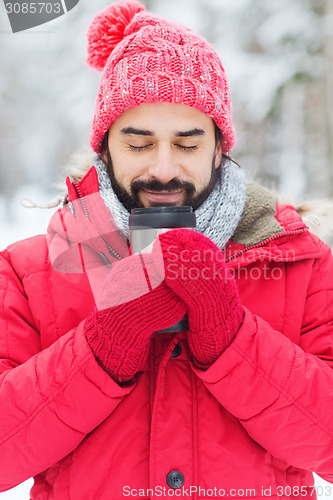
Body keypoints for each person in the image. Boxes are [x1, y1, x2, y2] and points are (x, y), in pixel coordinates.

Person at [1, 0, 333, 498]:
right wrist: (102, 348)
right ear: (104, 147)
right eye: (137, 144)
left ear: (220, 147)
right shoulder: (32, 272)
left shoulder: (296, 262)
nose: (162, 169)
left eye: (187, 143)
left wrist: (231, 336)